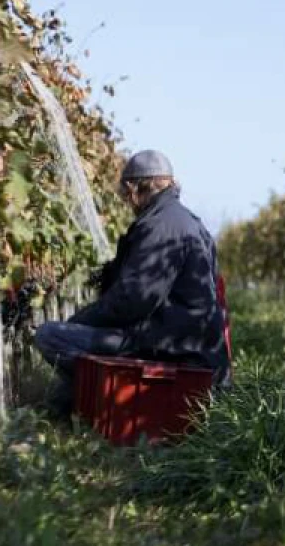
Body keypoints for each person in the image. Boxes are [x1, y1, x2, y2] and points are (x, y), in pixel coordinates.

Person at [34, 149, 230, 418]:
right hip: (187, 342)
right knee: (76, 343)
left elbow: (132, 301)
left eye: (126, 194)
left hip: (167, 346)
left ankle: (92, 410)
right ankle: (66, 412)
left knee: (51, 336)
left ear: (136, 187)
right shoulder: (185, 220)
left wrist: (82, 319)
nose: (127, 202)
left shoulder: (161, 226)